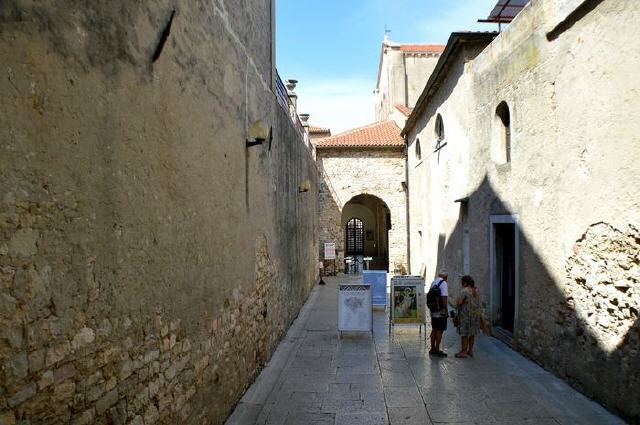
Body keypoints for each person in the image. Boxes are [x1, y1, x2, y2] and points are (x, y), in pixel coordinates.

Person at [455, 275, 481, 358]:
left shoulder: (464, 291)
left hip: (465, 316)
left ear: (465, 282)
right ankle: (470, 350)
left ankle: (463, 351)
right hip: (475, 316)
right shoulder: (476, 290)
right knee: (472, 333)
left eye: (462, 282)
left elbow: (459, 302)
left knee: (464, 334)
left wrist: (457, 301)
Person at [429, 271, 448, 357]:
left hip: (433, 310)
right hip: (440, 310)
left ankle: (432, 348)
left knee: (434, 329)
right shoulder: (443, 283)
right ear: (446, 277)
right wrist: (445, 310)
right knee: (440, 330)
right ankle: (437, 349)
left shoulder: (433, 282)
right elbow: (444, 298)